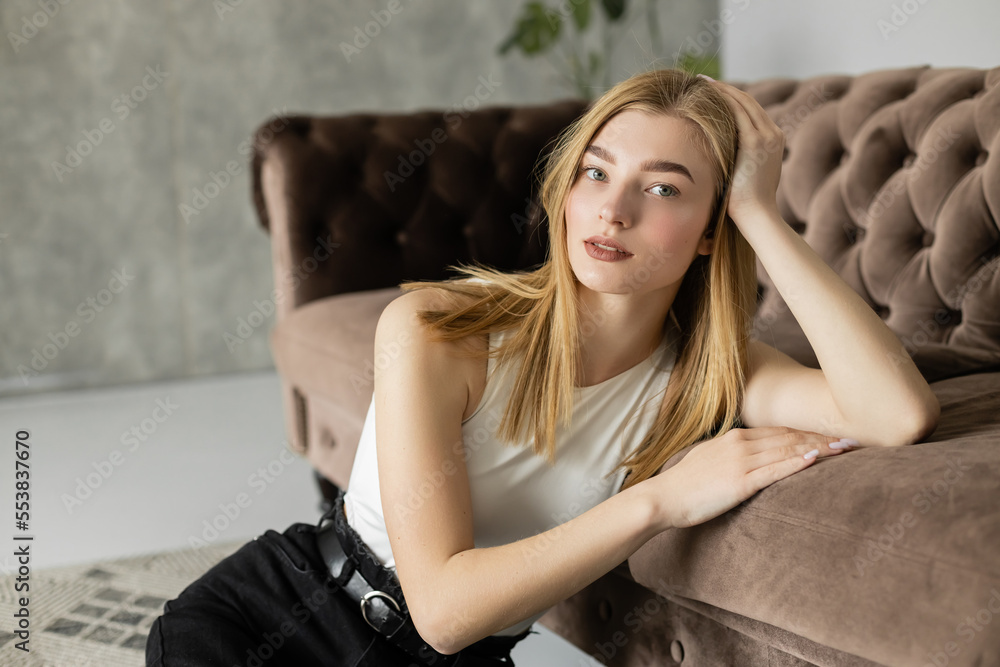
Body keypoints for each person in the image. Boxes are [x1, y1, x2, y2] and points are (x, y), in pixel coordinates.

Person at [146, 68, 939, 666]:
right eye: (596, 172)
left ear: (709, 229)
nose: (612, 209)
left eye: (662, 188)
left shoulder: (710, 374)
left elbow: (895, 413)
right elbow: (447, 609)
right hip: (271, 624)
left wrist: (762, 214)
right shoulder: (434, 330)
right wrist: (662, 498)